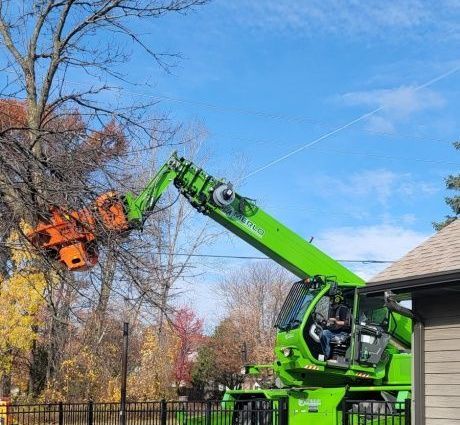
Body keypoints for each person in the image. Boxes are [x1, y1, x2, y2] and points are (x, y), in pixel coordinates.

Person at [320, 292, 351, 360]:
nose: (330, 302)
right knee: (321, 331)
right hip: (335, 331)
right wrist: (325, 322)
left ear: (336, 300)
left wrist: (336, 321)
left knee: (324, 333)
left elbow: (346, 322)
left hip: (342, 332)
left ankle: (326, 355)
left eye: (331, 300)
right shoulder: (334, 310)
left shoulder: (343, 309)